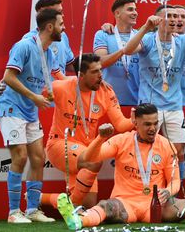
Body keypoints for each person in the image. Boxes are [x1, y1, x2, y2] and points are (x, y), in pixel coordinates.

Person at [56, 104, 185, 230]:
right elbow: (88, 158)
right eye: (147, 124)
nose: (153, 128)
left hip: (155, 206)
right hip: (125, 202)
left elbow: (175, 181)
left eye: (155, 123)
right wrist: (100, 138)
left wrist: (168, 191)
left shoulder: (167, 145)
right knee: (106, 206)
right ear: (136, 123)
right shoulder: (121, 140)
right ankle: (78, 221)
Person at [122, 6, 185, 183]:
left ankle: (175, 194)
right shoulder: (149, 39)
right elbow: (127, 50)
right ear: (158, 19)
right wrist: (145, 27)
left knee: (178, 152)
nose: (174, 19)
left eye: (176, 16)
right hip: (149, 107)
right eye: (169, 16)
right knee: (145, 150)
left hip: (174, 107)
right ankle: (142, 190)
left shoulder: (184, 41)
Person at [0, 8, 67, 223]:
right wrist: (34, 97)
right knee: (20, 157)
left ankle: (32, 210)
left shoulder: (49, 52)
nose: (63, 28)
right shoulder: (25, 46)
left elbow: (55, 81)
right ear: (49, 27)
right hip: (12, 108)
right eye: (61, 24)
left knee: (38, 159)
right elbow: (8, 77)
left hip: (30, 110)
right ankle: (13, 212)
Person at [41, 53, 134, 209]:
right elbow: (31, 94)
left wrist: (135, 120)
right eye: (95, 72)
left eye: (100, 71)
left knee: (87, 207)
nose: (100, 76)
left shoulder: (106, 92)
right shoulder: (61, 87)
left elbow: (121, 124)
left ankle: (42, 198)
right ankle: (66, 203)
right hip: (60, 144)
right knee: (93, 161)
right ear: (81, 75)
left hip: (87, 150)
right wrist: (4, 87)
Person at [93, 0, 140, 106]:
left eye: (135, 9)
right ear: (117, 13)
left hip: (137, 101)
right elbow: (101, 63)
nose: (135, 13)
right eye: (130, 9)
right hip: (107, 101)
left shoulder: (141, 36)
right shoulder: (103, 34)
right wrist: (124, 50)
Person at [24, 0, 75, 73]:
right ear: (43, 13)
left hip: (56, 84)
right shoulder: (27, 42)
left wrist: (91, 65)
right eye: (58, 12)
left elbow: (69, 64)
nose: (62, 15)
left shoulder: (62, 36)